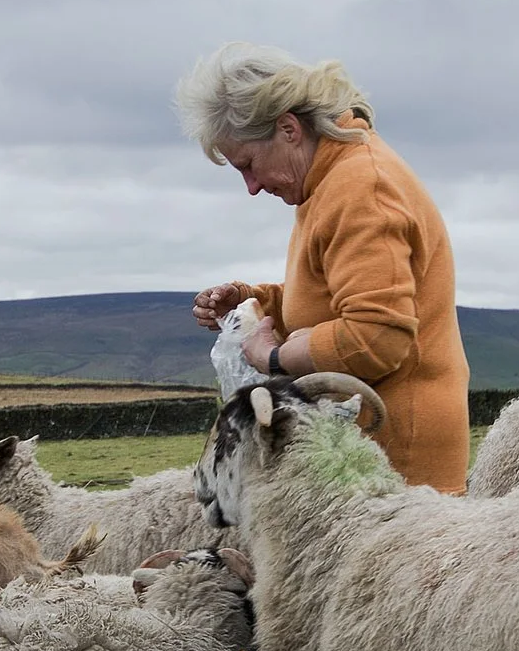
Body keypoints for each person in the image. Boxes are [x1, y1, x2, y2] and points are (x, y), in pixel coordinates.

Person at [178, 42, 470, 493]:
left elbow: (376, 337)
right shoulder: (329, 180)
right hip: (366, 458)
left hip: (398, 474)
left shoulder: (360, 188)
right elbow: (332, 296)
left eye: (250, 164)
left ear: (289, 129)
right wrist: (252, 301)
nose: (251, 187)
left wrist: (270, 357)